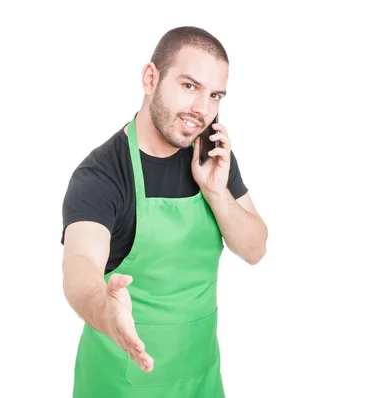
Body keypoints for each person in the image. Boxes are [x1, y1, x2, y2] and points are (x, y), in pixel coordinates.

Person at [60, 26, 268, 398]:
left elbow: (254, 249)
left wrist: (218, 194)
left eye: (215, 95)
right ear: (150, 78)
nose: (202, 111)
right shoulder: (103, 174)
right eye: (189, 86)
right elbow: (79, 266)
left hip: (201, 381)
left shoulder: (212, 154)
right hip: (122, 385)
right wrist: (104, 311)